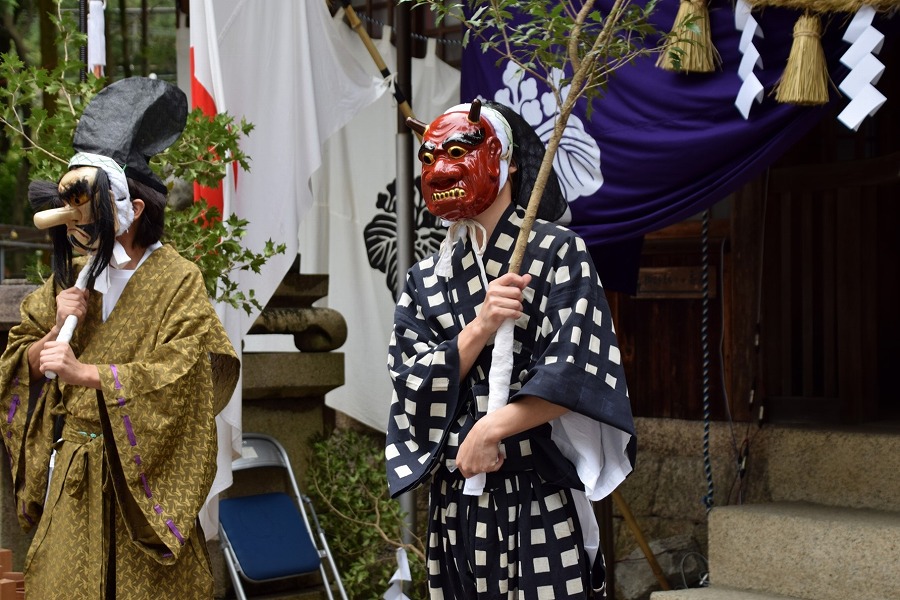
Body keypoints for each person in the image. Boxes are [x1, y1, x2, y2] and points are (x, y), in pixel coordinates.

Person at [385, 100, 636, 599]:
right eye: (429, 157)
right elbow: (408, 382)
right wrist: (479, 326)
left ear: (509, 160)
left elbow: (579, 370)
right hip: (457, 498)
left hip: (535, 491)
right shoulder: (426, 277)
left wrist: (492, 427)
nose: (440, 169)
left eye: (457, 151)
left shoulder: (558, 251)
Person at [0, 77, 239, 599]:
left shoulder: (178, 279)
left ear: (130, 209)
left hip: (142, 488)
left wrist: (89, 374)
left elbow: (188, 371)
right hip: (75, 475)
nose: (76, 228)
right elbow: (19, 357)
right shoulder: (72, 280)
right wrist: (43, 349)